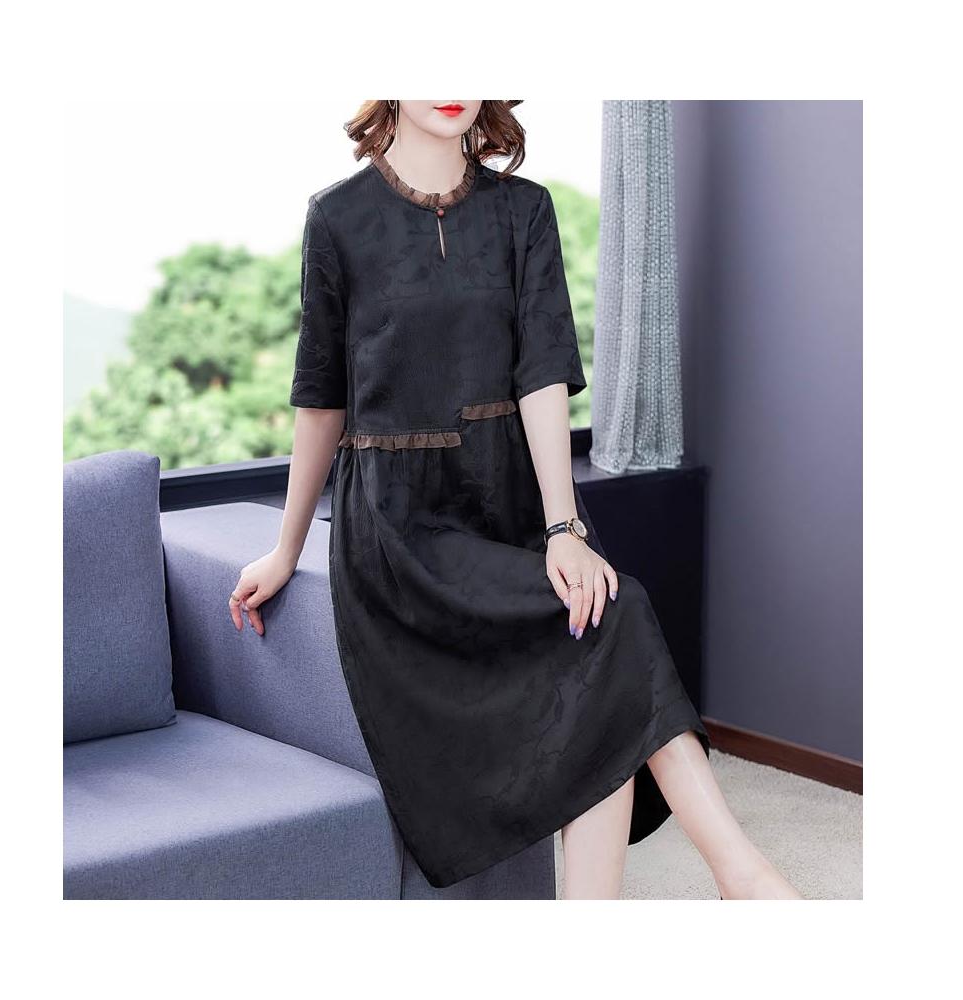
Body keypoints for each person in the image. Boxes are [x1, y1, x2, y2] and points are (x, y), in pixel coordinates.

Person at [228, 100, 801, 900]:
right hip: (400, 529)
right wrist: (287, 548)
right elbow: (321, 398)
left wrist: (564, 527)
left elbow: (541, 373)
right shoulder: (338, 217)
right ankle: (745, 877)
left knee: (598, 625)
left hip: (514, 502)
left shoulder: (523, 211)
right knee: (617, 621)